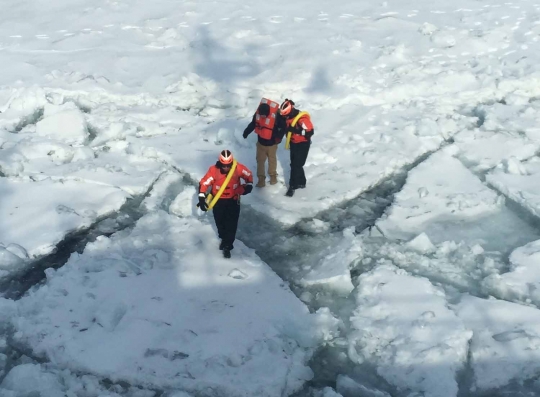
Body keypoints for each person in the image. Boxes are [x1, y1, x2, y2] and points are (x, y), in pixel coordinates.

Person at [198, 149, 253, 258]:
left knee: (231, 224)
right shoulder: (213, 170)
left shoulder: (238, 168)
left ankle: (228, 245)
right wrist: (201, 197)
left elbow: (248, 175)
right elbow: (204, 182)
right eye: (224, 166)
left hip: (233, 200)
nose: (226, 168)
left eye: (228, 165)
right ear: (220, 163)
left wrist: (248, 186)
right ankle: (223, 237)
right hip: (218, 200)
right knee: (220, 222)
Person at [243, 98, 287, 187]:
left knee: (272, 160)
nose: (262, 116)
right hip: (260, 143)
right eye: (261, 115)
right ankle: (261, 180)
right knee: (260, 161)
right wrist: (246, 132)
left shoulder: (277, 116)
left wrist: (278, 138)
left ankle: (273, 177)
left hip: (272, 144)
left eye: (264, 115)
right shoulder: (257, 114)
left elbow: (283, 128)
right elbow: (253, 124)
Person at [279, 99, 314, 197]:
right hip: (293, 143)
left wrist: (295, 130)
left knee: (296, 165)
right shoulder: (287, 116)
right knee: (295, 164)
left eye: (285, 115)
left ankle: (292, 186)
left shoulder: (302, 119)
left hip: (302, 144)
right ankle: (302, 182)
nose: (284, 117)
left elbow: (309, 133)